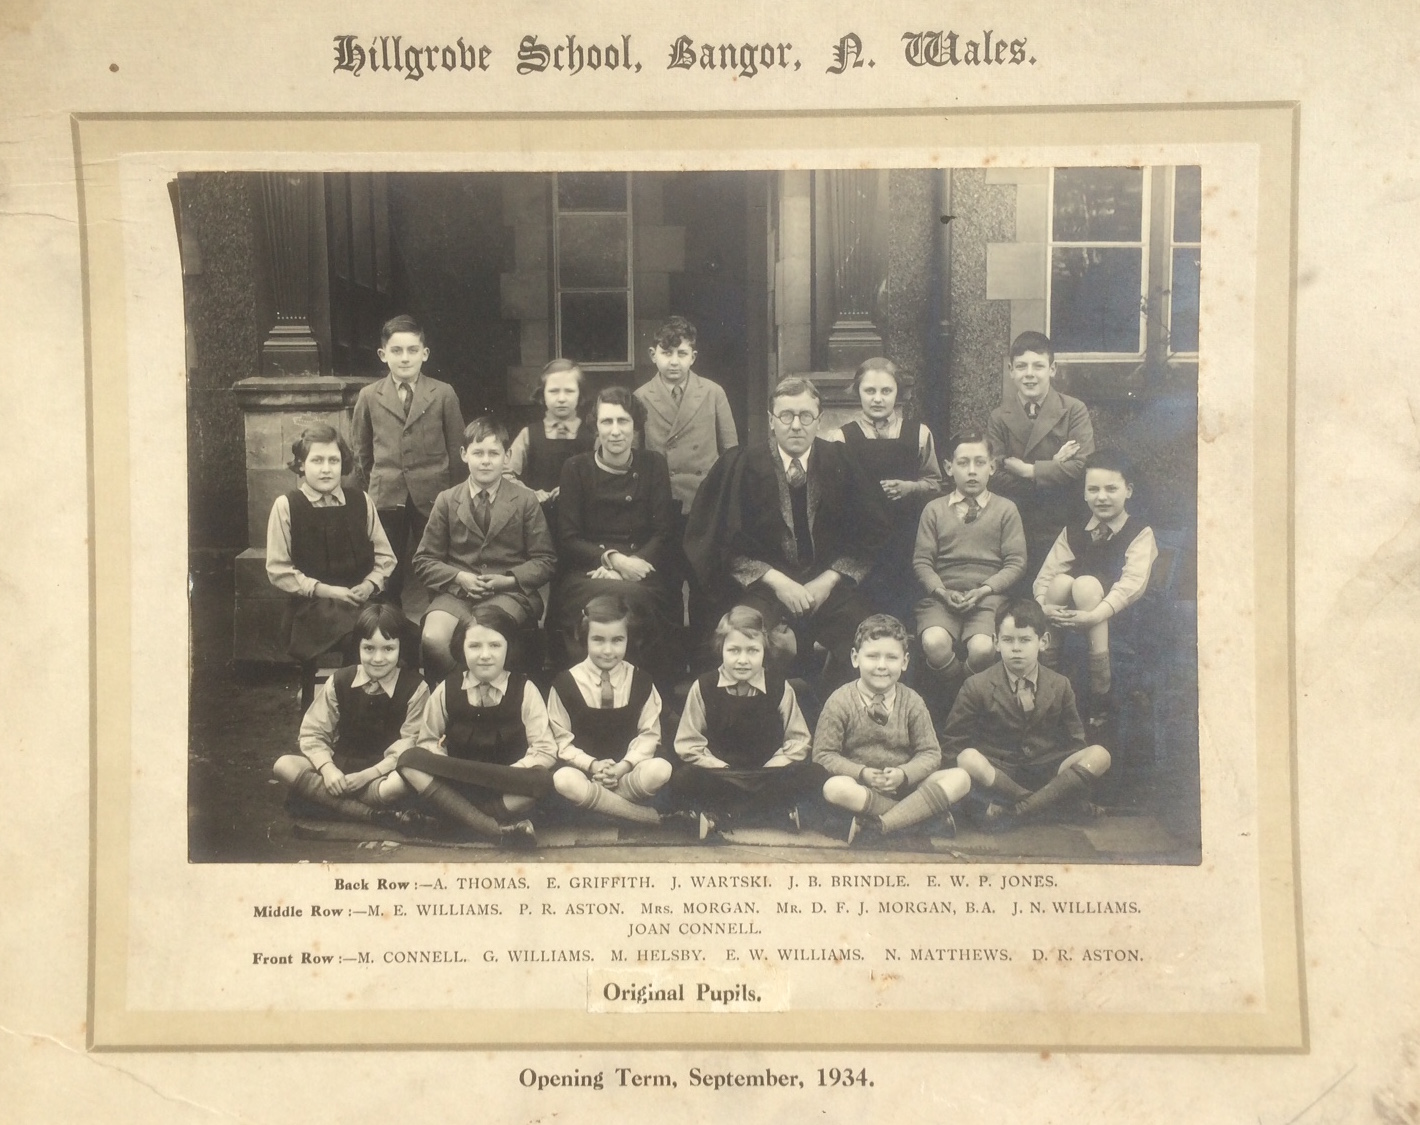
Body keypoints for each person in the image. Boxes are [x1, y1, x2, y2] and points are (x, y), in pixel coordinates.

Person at [684, 375, 890, 685]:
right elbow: (724, 543)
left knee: (869, 639)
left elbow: (870, 534)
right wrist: (777, 581)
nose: (796, 425)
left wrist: (828, 580)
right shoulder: (742, 465)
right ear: (771, 420)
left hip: (829, 586)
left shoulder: (841, 461)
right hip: (764, 588)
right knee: (743, 639)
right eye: (786, 416)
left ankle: (833, 705)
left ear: (819, 419)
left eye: (805, 416)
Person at [943, 598, 1111, 826]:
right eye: (1008, 640)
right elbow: (954, 746)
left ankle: (1019, 811)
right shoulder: (976, 685)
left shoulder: (1059, 684)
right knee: (967, 757)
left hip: (1048, 771)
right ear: (996, 642)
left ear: (1043, 642)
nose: (1016, 648)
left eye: (1025, 640)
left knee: (1100, 755)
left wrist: (1069, 780)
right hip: (999, 774)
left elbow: (1075, 741)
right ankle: (1046, 804)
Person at [397, 605, 556, 847]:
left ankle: (454, 819)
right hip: (459, 780)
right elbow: (428, 740)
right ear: (461, 648)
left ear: (509, 647)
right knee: (409, 759)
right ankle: (493, 829)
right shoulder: (446, 689)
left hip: (505, 781)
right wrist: (441, 757)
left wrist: (511, 773)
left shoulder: (525, 689)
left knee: (543, 781)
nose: (485, 655)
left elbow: (545, 749)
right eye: (474, 646)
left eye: (495, 645)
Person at [412, 417, 557, 682]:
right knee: (433, 638)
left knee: (486, 635)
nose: (486, 461)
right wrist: (459, 577)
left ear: (507, 457)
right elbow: (424, 560)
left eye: (494, 453)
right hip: (456, 593)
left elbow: (545, 560)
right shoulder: (447, 500)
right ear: (464, 454)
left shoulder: (525, 500)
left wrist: (508, 579)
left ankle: (492, 696)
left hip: (508, 594)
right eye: (478, 453)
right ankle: (456, 693)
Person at [554, 385, 681, 683]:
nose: (615, 431)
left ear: (635, 426)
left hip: (641, 567)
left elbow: (663, 531)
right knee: (607, 602)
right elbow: (568, 538)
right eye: (606, 421)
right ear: (595, 426)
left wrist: (631, 565)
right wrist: (613, 561)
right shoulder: (575, 468)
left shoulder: (654, 464)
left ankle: (646, 690)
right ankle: (587, 689)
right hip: (588, 571)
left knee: (643, 599)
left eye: (623, 421)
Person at [265, 424, 396, 705]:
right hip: (312, 607)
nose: (326, 469)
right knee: (361, 635)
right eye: (317, 460)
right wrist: (328, 591)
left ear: (343, 464)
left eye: (333, 460)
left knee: (400, 633)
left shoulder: (361, 501)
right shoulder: (287, 506)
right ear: (301, 465)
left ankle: (374, 705)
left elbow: (386, 557)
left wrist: (369, 584)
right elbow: (278, 569)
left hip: (361, 600)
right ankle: (345, 705)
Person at [814, 614, 971, 844]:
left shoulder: (912, 701)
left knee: (961, 778)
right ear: (855, 658)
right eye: (872, 656)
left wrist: (904, 774)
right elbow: (823, 755)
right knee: (834, 788)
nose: (881, 666)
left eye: (891, 657)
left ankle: (881, 825)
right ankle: (917, 818)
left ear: (904, 662)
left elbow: (930, 753)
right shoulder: (839, 701)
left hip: (908, 788)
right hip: (863, 789)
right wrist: (862, 773)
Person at [668, 606, 821, 839]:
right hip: (722, 775)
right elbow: (688, 743)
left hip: (766, 774)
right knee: (683, 779)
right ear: (721, 648)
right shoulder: (704, 686)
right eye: (734, 650)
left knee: (814, 774)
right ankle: (771, 813)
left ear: (764, 650)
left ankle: (724, 815)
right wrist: (719, 768)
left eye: (752, 651)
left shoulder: (779, 687)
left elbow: (798, 740)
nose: (742, 660)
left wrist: (774, 766)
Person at [272, 603, 426, 827]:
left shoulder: (416, 687)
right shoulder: (340, 680)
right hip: (340, 768)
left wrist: (369, 774)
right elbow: (313, 733)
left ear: (400, 648)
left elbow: (410, 743)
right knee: (284, 765)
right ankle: (371, 813)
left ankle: (333, 804)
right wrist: (328, 769)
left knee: (402, 783)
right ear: (358, 647)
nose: (378, 658)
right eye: (369, 648)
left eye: (388, 649)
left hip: (383, 773)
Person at [634, 316, 740, 640]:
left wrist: (722, 503)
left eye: (681, 353)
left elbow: (731, 453)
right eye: (667, 353)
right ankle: (671, 661)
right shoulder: (640, 397)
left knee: (705, 588)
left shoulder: (713, 393)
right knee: (666, 587)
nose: (674, 361)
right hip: (663, 508)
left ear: (693, 356)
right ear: (653, 355)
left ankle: (704, 658)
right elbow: (636, 456)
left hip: (704, 508)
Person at [1034, 450, 1158, 720]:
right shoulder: (1074, 530)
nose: (1102, 497)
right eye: (1093, 489)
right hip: (1071, 616)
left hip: (1120, 616)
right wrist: (1043, 606)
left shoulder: (1139, 532)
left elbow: (1132, 585)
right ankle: (1048, 671)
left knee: (1086, 585)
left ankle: (1101, 683)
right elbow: (1047, 574)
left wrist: (1094, 616)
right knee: (1061, 581)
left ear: (1128, 491)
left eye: (1111, 489)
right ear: (1084, 493)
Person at [351, 314, 466, 603]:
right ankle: (390, 624)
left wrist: (452, 496)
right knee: (388, 568)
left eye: (412, 350)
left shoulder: (443, 393)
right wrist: (377, 484)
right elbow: (362, 453)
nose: (405, 358)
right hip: (387, 495)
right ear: (383, 355)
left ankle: (439, 620)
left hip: (434, 495)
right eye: (397, 350)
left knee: (438, 565)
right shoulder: (369, 396)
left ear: (424, 354)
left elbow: (457, 450)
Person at [823, 357, 942, 616]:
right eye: (870, 391)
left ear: (898, 392)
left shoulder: (919, 434)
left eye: (886, 391)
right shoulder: (841, 438)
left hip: (907, 538)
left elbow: (935, 484)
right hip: (860, 542)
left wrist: (910, 488)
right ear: (858, 392)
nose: (878, 399)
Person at [912, 429, 1026, 694]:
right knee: (934, 642)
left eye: (980, 462)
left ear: (992, 467)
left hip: (988, 599)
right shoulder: (934, 510)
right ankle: (958, 694)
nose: (972, 471)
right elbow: (922, 561)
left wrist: (985, 589)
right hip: (942, 598)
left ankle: (965, 698)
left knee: (983, 649)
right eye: (963, 463)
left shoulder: (1006, 510)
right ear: (949, 468)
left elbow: (1016, 562)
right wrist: (941, 591)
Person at [548, 595, 672, 825]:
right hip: (584, 773)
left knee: (661, 769)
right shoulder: (565, 684)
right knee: (563, 779)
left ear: (628, 639)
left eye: (617, 640)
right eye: (598, 640)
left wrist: (622, 767)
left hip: (627, 773)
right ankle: (641, 815)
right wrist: (593, 765)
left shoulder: (641, 681)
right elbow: (561, 742)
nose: (607, 650)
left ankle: (602, 806)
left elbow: (649, 734)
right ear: (584, 638)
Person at [986, 331, 1094, 587]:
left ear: (1052, 369)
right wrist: (1054, 466)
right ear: (1011, 371)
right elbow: (993, 475)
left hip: (1064, 517)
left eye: (1038, 366)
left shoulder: (1073, 410)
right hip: (1017, 520)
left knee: (1057, 588)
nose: (1029, 374)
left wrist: (1028, 471)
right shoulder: (999, 417)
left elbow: (1082, 466)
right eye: (1021, 366)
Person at [504, 358, 594, 529]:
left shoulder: (592, 436)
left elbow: (603, 477)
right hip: (537, 522)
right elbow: (504, 472)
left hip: (582, 522)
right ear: (542, 394)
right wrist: (529, 494)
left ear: (580, 394)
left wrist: (574, 489)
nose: (561, 398)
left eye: (569, 391)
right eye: (554, 391)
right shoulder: (529, 434)